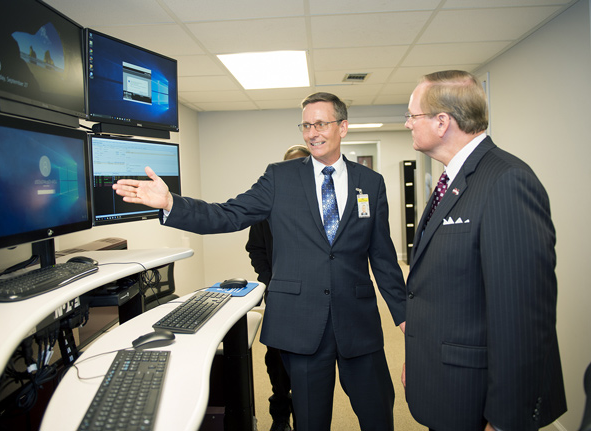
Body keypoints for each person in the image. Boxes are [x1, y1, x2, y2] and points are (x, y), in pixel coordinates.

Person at [112, 92, 407, 431]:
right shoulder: (279, 178)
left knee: (378, 415)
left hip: (358, 321)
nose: (312, 132)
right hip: (301, 322)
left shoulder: (370, 182)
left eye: (321, 124)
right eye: (306, 125)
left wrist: (404, 316)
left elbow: (383, 256)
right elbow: (227, 214)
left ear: (343, 126)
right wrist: (170, 204)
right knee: (311, 421)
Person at [402, 70, 567, 431]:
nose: (407, 124)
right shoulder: (452, 180)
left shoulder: (506, 181)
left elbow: (523, 317)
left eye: (412, 115)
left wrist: (506, 420)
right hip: (443, 377)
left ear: (442, 121)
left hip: (476, 396)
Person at [245, 144, 310, 431]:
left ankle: (306, 417)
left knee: (309, 365)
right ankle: (280, 417)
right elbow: (255, 248)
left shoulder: (324, 204)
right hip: (280, 297)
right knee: (277, 362)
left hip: (314, 299)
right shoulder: (266, 205)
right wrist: (270, 280)